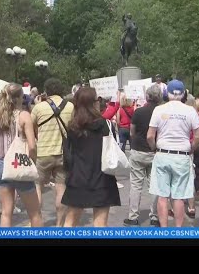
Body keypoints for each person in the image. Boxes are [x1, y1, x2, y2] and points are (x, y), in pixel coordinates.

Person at [62, 87, 121, 227]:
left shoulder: (72, 127)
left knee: (70, 221)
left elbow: (68, 155)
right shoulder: (105, 125)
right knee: (100, 225)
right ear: (94, 103)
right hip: (102, 177)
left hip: (78, 177)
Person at [147, 79, 199, 227]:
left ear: (166, 93)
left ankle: (164, 230)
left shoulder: (159, 110)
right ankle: (178, 230)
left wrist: (154, 148)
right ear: (183, 94)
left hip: (163, 153)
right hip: (182, 155)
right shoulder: (190, 111)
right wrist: (191, 148)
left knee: (162, 196)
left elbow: (150, 135)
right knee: (179, 197)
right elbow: (198, 136)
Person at [0, 83, 43, 227]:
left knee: (6, 212)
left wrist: (1, 147)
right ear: (19, 98)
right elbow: (32, 146)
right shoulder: (24, 116)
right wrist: (33, 161)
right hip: (20, 164)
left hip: (0, 165)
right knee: (35, 213)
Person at [31, 78, 74, 227]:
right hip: (63, 153)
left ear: (46, 91)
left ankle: (37, 222)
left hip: (43, 152)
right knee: (61, 188)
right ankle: (59, 225)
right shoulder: (70, 106)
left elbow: (32, 129)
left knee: (37, 186)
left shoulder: (39, 108)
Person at [123, 85, 162, 227]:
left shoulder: (139, 112)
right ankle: (154, 216)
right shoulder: (161, 112)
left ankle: (133, 217)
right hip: (155, 152)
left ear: (147, 96)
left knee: (135, 185)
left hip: (138, 150)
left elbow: (132, 131)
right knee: (154, 186)